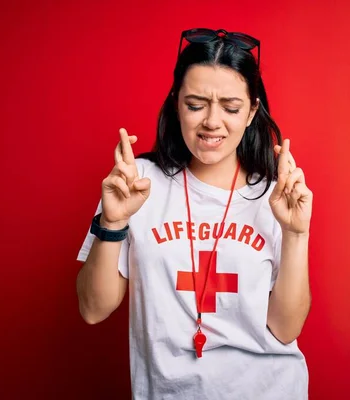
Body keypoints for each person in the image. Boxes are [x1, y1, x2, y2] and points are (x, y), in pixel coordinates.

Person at [76, 28, 313, 399]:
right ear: (176, 103)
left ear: (252, 112)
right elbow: (93, 309)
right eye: (195, 104)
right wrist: (113, 223)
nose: (212, 123)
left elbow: (285, 328)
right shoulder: (136, 182)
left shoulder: (275, 196)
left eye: (231, 108)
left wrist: (297, 234)